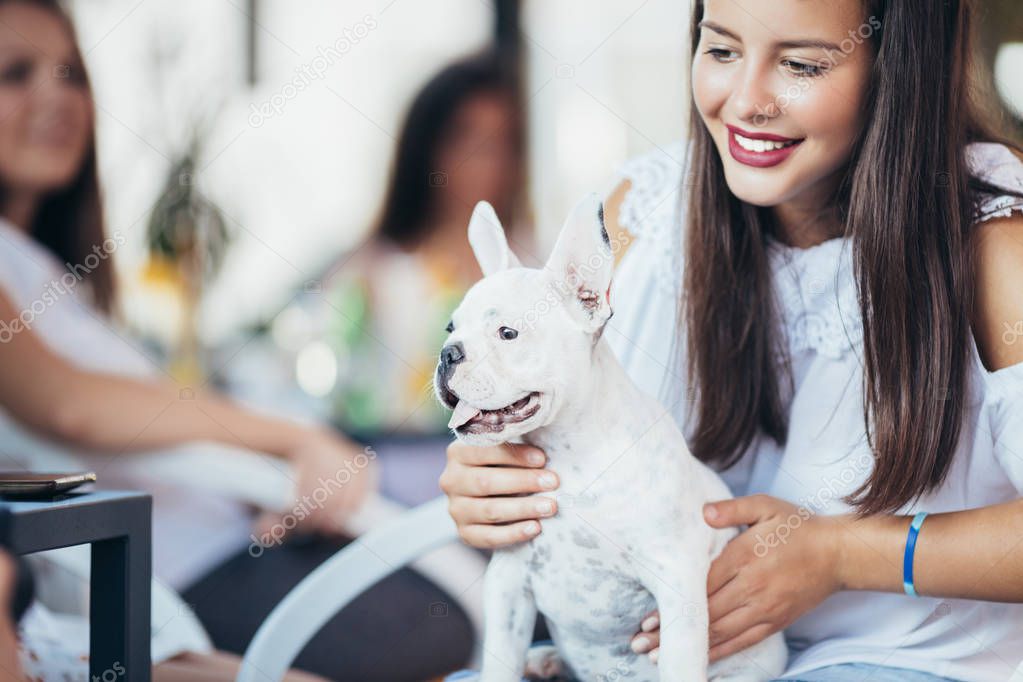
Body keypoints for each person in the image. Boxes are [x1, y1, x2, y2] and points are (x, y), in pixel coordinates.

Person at [440, 0, 1023, 680]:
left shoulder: (994, 248)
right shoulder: (636, 212)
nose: (744, 101)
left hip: (906, 661)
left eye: (802, 63)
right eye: (719, 50)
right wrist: (490, 478)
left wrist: (840, 555)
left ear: (898, 69)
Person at [0, 0, 472, 678]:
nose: (57, 96)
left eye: (70, 72)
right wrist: (293, 439)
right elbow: (67, 403)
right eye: (16, 73)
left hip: (232, 537)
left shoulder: (47, 271)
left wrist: (266, 479)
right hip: (165, 577)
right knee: (460, 612)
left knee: (484, 590)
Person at [317, 48, 528, 439]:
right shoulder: (370, 270)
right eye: (469, 139)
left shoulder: (531, 266)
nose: (490, 162)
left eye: (503, 143)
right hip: (384, 464)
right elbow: (338, 396)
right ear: (427, 147)